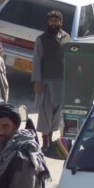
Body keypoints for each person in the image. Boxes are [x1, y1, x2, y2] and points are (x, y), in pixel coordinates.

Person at [32, 10, 70, 150]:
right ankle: (45, 139)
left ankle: (52, 137)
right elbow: (36, 61)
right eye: (51, 21)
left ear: (61, 22)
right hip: (45, 81)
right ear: (47, 22)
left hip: (61, 80)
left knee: (57, 110)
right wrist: (37, 81)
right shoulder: (41, 39)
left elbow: (70, 58)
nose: (54, 23)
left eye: (56, 21)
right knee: (45, 110)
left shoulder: (66, 37)